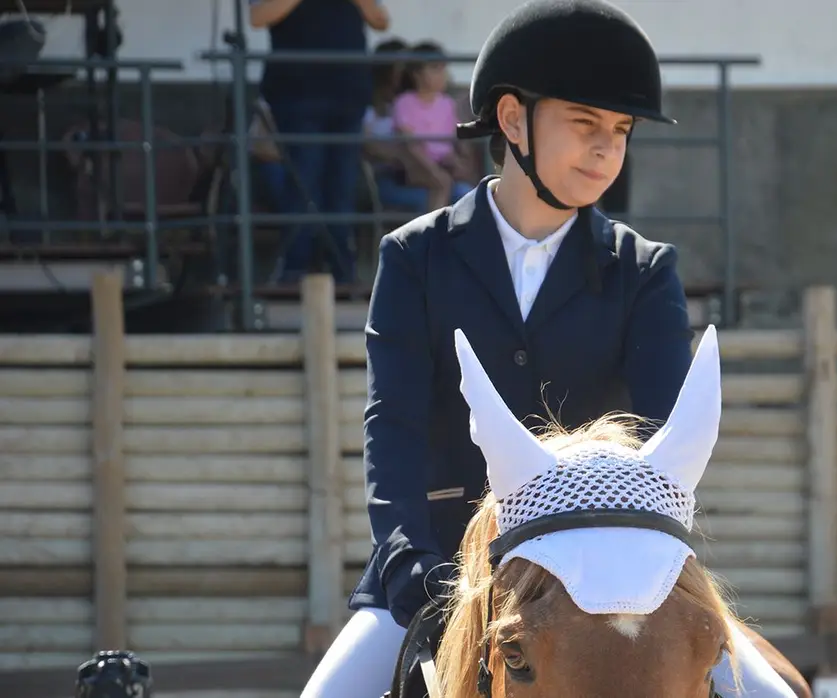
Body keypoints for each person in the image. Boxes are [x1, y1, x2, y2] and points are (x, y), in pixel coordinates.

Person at [299, 2, 798, 697]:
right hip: (441, 569)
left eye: (619, 131)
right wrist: (408, 560)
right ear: (512, 121)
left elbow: (661, 438)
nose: (606, 150)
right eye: (585, 124)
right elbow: (396, 428)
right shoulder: (414, 258)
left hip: (615, 577)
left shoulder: (645, 270)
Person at [248, 0, 389, 284]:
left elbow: (380, 20)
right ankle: (294, 267)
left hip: (347, 92)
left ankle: (341, 269)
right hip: (297, 93)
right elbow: (258, 16)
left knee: (341, 185)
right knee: (302, 181)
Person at [362, 38, 454, 214]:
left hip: (427, 166)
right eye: (400, 66)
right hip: (393, 173)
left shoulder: (440, 103)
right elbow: (370, 146)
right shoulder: (394, 106)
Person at [391, 40, 478, 206]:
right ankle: (434, 229)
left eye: (443, 68)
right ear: (416, 74)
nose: (443, 74)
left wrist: (461, 161)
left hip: (443, 162)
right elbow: (410, 145)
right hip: (415, 164)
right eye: (435, 68)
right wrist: (433, 170)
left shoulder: (447, 104)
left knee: (469, 183)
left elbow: (457, 138)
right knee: (442, 182)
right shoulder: (404, 103)